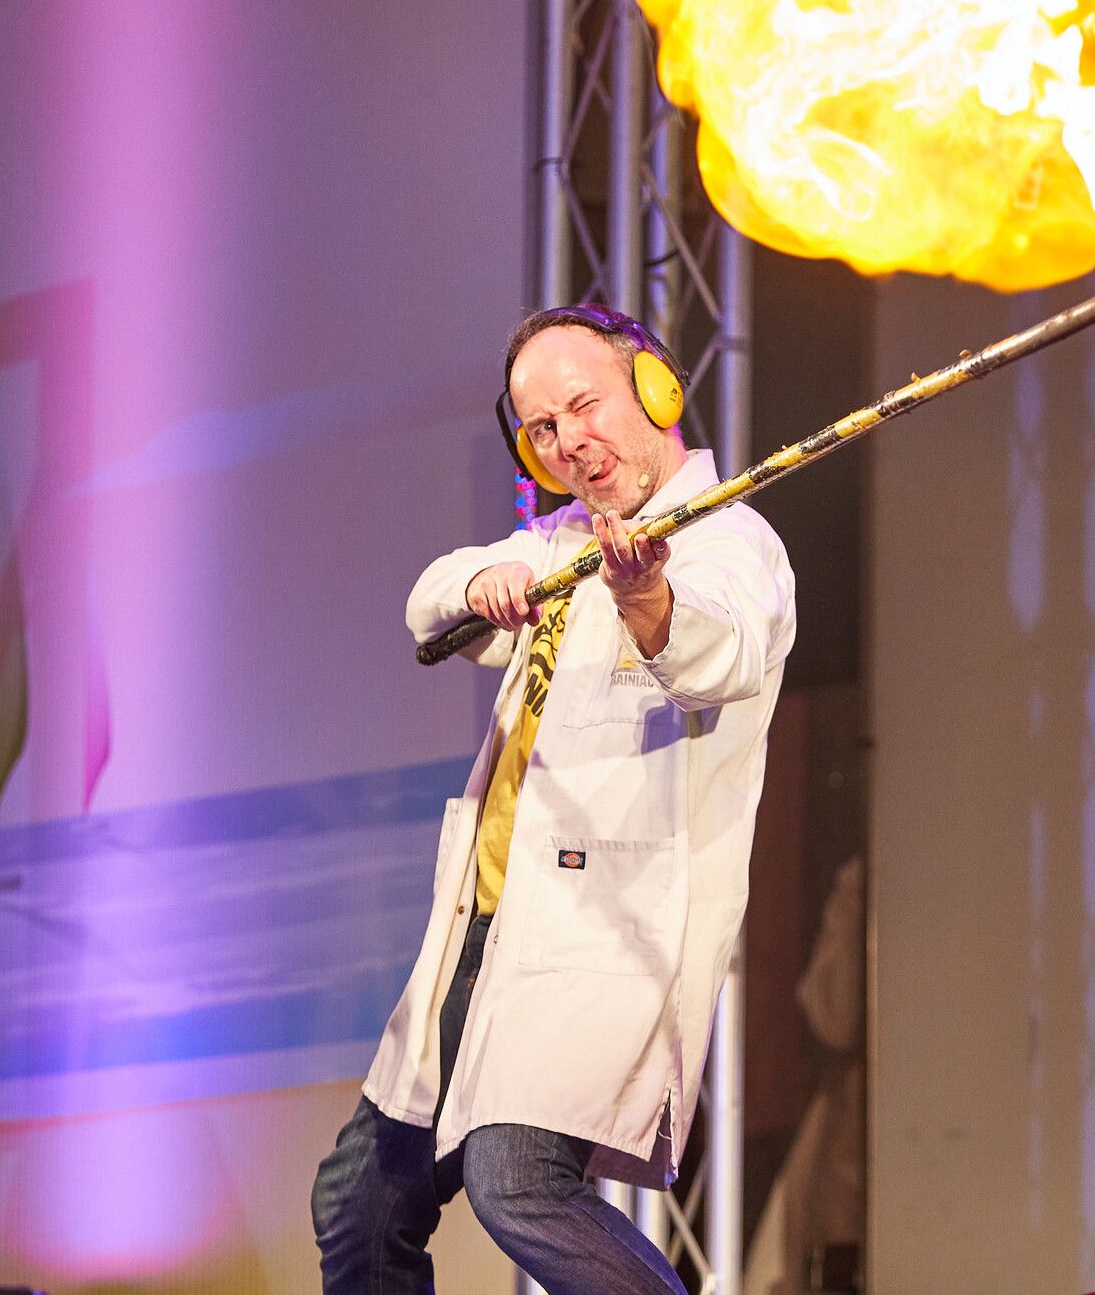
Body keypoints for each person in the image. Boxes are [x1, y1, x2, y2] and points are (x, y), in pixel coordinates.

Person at [313, 305, 796, 1295]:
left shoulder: (728, 538)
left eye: (583, 405)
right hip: (486, 931)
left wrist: (648, 598)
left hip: (604, 937)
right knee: (359, 1206)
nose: (569, 440)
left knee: (517, 1177)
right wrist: (488, 577)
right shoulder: (560, 542)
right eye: (542, 429)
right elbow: (428, 603)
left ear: (655, 390)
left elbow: (721, 656)